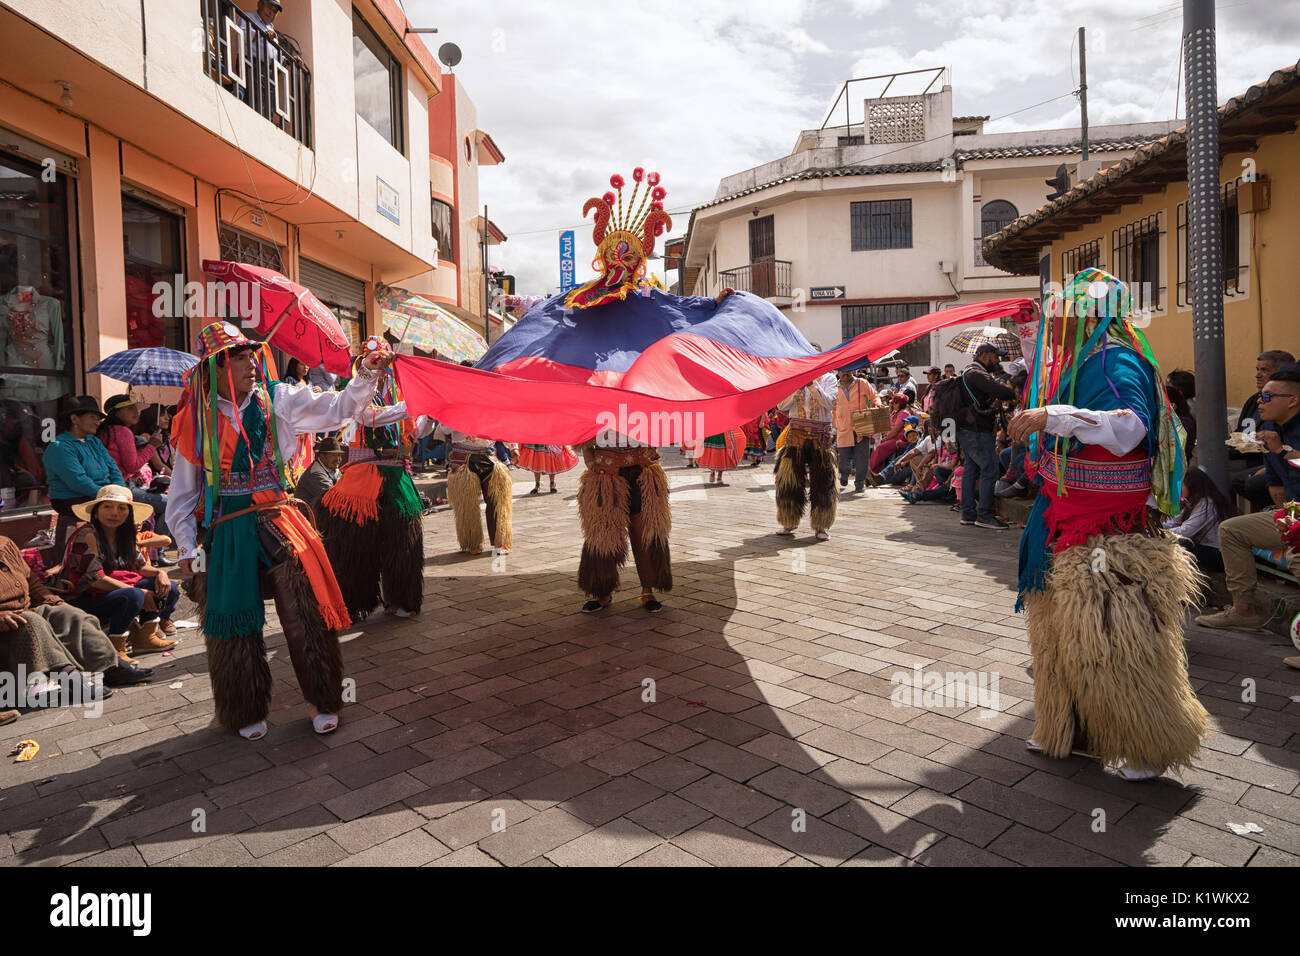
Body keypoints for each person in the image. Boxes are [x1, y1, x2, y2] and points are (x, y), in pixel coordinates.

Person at [1013, 269, 1207, 780]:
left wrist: (1051, 416)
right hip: (1071, 515)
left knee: (1113, 640)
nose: (1051, 324)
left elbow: (1131, 428)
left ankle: (1144, 743)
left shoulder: (1114, 358)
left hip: (1107, 527)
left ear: (1086, 316)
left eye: (1059, 315)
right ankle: (1074, 729)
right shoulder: (1088, 358)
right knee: (1062, 636)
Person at [166, 322, 393, 741]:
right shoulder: (195, 421)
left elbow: (339, 407)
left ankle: (322, 700)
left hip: (279, 515)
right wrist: (184, 545)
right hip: (228, 527)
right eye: (237, 357)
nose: (250, 363)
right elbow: (182, 493)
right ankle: (244, 708)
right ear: (214, 367)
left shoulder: (280, 400)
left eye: (250, 355)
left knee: (304, 610)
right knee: (234, 620)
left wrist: (367, 373)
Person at [318, 337, 429, 620]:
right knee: (355, 547)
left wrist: (429, 410)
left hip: (396, 475)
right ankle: (356, 604)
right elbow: (371, 417)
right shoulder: (351, 397)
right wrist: (415, 403)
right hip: (361, 477)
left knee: (404, 541)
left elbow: (418, 430)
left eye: (384, 368)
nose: (380, 375)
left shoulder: (396, 398)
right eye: (375, 366)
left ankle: (401, 599)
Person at [1196, 367, 1300, 631]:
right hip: (1295, 512)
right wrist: (1286, 522)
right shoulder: (1269, 429)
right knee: (1232, 530)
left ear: (1292, 400)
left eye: (1266, 397)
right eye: (1259, 396)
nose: (1258, 403)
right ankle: (1244, 610)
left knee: (1297, 555)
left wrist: (1283, 450)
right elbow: (1276, 487)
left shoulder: (1282, 437)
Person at [0, 534, 151, 687]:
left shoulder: (5, 544)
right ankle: (69, 678)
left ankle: (108, 667)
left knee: (72, 615)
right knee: (33, 621)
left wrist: (58, 603)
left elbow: (32, 583)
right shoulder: (86, 537)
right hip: (7, 624)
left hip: (26, 610)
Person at [60, 485, 179, 661]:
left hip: (111, 592)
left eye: (121, 508)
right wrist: (140, 592)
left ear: (128, 514)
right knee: (134, 595)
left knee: (170, 587)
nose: (114, 513)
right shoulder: (87, 535)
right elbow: (96, 579)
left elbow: (140, 567)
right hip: (83, 598)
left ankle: (145, 638)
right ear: (96, 511)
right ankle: (115, 649)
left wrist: (160, 573)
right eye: (107, 507)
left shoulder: (124, 534)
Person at [956, 344, 1019, 530]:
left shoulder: (970, 373)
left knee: (971, 469)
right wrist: (1008, 389)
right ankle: (985, 514)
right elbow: (1002, 392)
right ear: (984, 356)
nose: (998, 360)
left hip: (969, 429)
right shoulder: (976, 373)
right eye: (995, 356)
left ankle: (968, 513)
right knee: (989, 469)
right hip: (977, 430)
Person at [775, 373, 838, 540]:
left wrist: (812, 385)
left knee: (823, 481)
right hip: (797, 433)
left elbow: (830, 403)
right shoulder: (794, 377)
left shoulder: (829, 378)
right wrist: (798, 387)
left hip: (820, 436)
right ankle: (789, 520)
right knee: (789, 480)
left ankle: (821, 525)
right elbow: (781, 405)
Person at [1230, 349, 1295, 510]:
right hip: (1258, 459)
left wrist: (1281, 451)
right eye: (1257, 369)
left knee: (1249, 482)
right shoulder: (1254, 402)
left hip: (1270, 460)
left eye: (1264, 370)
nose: (1258, 375)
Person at [98, 394, 169, 537]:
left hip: (109, 486)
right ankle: (157, 546)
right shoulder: (123, 432)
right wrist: (152, 446)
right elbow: (132, 466)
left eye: (135, 408)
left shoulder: (105, 431)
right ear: (117, 412)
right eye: (130, 408)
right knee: (172, 504)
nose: (136, 412)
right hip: (121, 489)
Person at [42, 396, 123, 519]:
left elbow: (113, 468)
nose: (97, 422)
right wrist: (107, 495)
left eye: (98, 419)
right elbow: (77, 481)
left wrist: (119, 491)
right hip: (72, 499)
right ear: (74, 419)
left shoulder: (93, 441)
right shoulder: (60, 446)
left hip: (102, 496)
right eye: (92, 417)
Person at [440, 426, 513, 556]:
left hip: (488, 456)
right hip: (463, 459)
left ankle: (500, 541)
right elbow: (444, 430)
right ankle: (472, 543)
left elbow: (503, 423)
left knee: (496, 501)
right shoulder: (454, 406)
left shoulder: (491, 406)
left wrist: (513, 447)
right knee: (467, 504)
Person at [1164, 467, 1231, 574]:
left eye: (1182, 484)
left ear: (1193, 485)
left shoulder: (1207, 503)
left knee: (1180, 544)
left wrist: (1161, 533)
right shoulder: (1191, 501)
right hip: (1204, 548)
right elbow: (1172, 522)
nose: (1178, 488)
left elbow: (1185, 531)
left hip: (1218, 555)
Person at [832, 368, 879, 493]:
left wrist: (878, 403)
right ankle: (845, 474)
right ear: (838, 373)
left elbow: (874, 396)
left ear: (853, 371)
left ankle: (859, 483)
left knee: (862, 457)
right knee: (843, 458)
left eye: (848, 370)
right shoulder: (834, 387)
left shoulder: (862, 383)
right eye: (842, 370)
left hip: (862, 425)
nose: (845, 372)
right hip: (843, 427)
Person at [294, 435, 345, 514]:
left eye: (339, 455)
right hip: (308, 516)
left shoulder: (332, 468)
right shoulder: (315, 473)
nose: (338, 459)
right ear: (322, 457)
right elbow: (333, 499)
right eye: (334, 455)